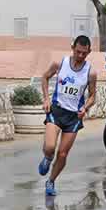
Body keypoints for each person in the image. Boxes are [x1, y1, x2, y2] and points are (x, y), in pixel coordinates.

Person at [38, 35, 98, 197]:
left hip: (73, 117)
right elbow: (44, 77)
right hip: (57, 111)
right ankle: (47, 158)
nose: (80, 56)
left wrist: (85, 107)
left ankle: (51, 181)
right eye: (78, 52)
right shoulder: (60, 63)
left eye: (84, 53)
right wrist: (46, 99)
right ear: (73, 48)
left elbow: (93, 95)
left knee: (63, 154)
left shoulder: (90, 72)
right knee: (50, 147)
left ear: (89, 52)